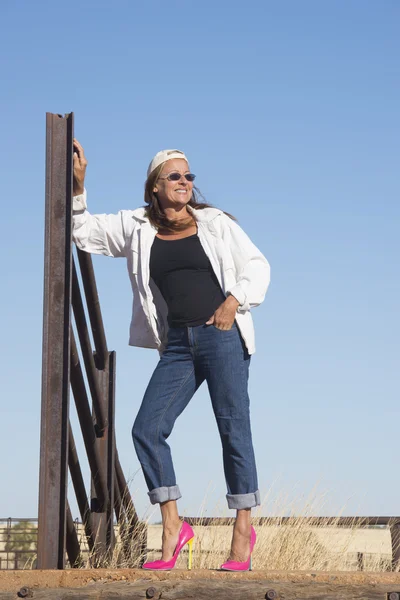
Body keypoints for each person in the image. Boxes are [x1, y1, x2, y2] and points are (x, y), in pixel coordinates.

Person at [72, 139, 270, 571]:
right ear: (155, 187)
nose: (185, 182)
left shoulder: (215, 223)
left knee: (233, 429)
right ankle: (174, 526)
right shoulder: (137, 227)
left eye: (189, 176)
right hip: (178, 345)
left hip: (222, 336)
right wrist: (78, 188)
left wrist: (233, 301)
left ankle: (242, 532)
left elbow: (257, 265)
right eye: (175, 176)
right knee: (147, 428)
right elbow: (83, 232)